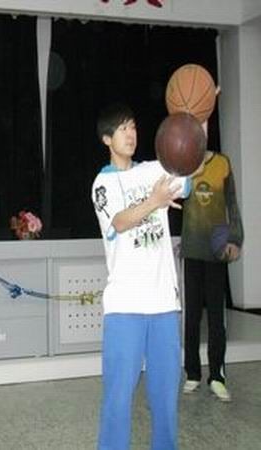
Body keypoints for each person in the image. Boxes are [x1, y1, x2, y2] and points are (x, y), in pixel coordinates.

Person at [91, 103, 192, 450]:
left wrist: (199, 121)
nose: (130, 134)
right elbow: (119, 222)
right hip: (125, 305)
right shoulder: (102, 184)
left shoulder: (154, 169)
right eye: (122, 129)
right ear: (107, 139)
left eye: (133, 126)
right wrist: (154, 201)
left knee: (165, 399)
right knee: (118, 398)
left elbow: (189, 168)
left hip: (164, 303)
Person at [180, 116, 244, 402]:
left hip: (216, 251)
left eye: (203, 128)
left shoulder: (222, 163)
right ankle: (192, 373)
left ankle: (217, 375)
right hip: (192, 250)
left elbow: (232, 204)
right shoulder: (183, 164)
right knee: (192, 316)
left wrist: (236, 239)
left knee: (217, 317)